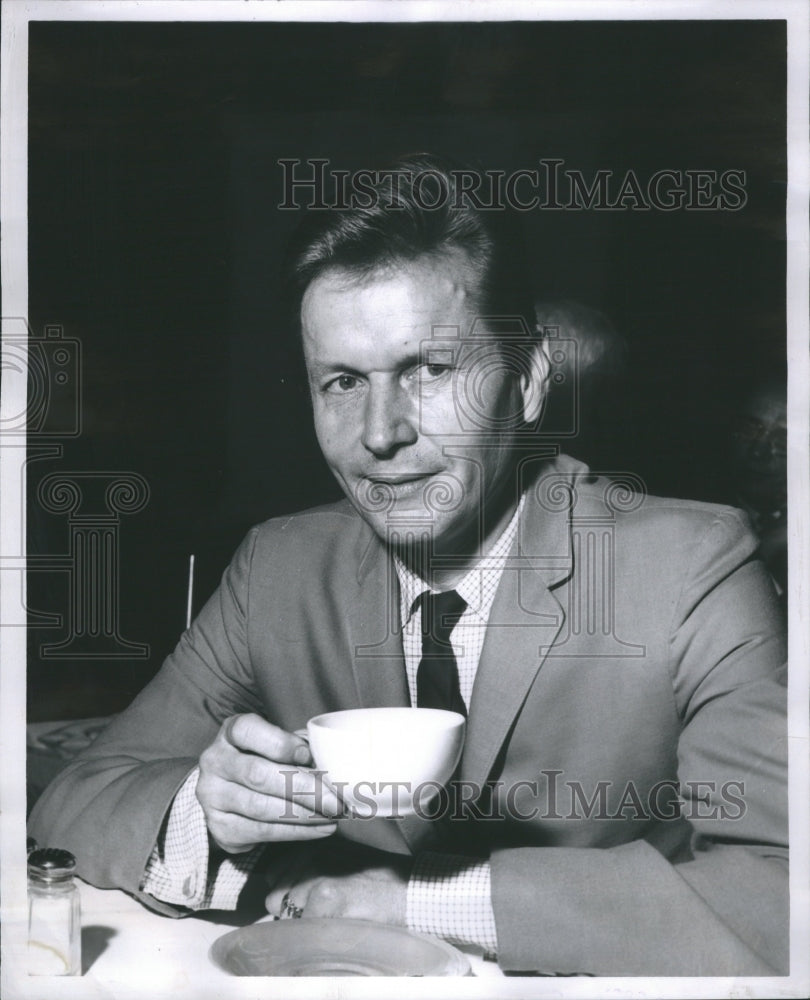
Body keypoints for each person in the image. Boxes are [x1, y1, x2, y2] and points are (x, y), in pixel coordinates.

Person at [29, 155, 788, 976]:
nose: (380, 432)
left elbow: (784, 892)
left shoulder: (690, 568)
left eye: (429, 369)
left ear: (529, 381)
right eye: (343, 381)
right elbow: (70, 807)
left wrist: (404, 900)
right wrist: (206, 813)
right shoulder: (278, 566)